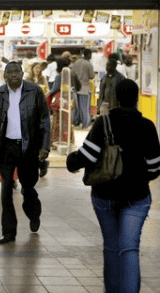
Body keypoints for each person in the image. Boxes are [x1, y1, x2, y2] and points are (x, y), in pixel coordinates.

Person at [67, 79, 160, 293]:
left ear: (115, 98)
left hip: (105, 196)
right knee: (129, 249)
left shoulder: (104, 123)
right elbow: (155, 168)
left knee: (110, 247)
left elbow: (87, 156)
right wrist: (137, 178)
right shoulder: (147, 126)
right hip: (137, 198)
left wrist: (71, 162)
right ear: (137, 99)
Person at [0, 62, 50, 245]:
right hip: (7, 148)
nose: (13, 75)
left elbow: (45, 120)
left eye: (16, 71)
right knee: (5, 191)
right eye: (9, 72)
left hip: (29, 148)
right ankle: (9, 232)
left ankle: (33, 212)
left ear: (22, 73)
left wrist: (45, 146)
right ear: (4, 75)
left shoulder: (34, 91)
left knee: (27, 187)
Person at [47, 58, 81, 156]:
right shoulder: (72, 73)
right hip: (70, 100)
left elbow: (54, 89)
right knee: (68, 121)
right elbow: (79, 87)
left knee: (58, 121)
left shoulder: (59, 76)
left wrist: (48, 94)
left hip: (60, 102)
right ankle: (69, 140)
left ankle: (56, 141)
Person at [71, 49, 95, 128]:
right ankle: (85, 124)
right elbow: (92, 76)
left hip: (75, 88)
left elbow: (73, 74)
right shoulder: (88, 64)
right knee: (84, 107)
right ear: (88, 54)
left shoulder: (76, 62)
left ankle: (76, 122)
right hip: (84, 88)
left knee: (76, 107)